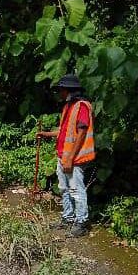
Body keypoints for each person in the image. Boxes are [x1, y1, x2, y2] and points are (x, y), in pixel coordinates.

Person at [36, 74, 96, 238]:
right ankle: (68, 217)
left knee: (76, 189)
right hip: (64, 156)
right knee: (64, 188)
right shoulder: (69, 106)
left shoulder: (82, 106)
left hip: (74, 158)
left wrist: (70, 158)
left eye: (61, 90)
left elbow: (81, 133)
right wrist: (47, 134)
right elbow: (65, 132)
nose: (60, 94)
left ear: (69, 91)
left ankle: (81, 222)